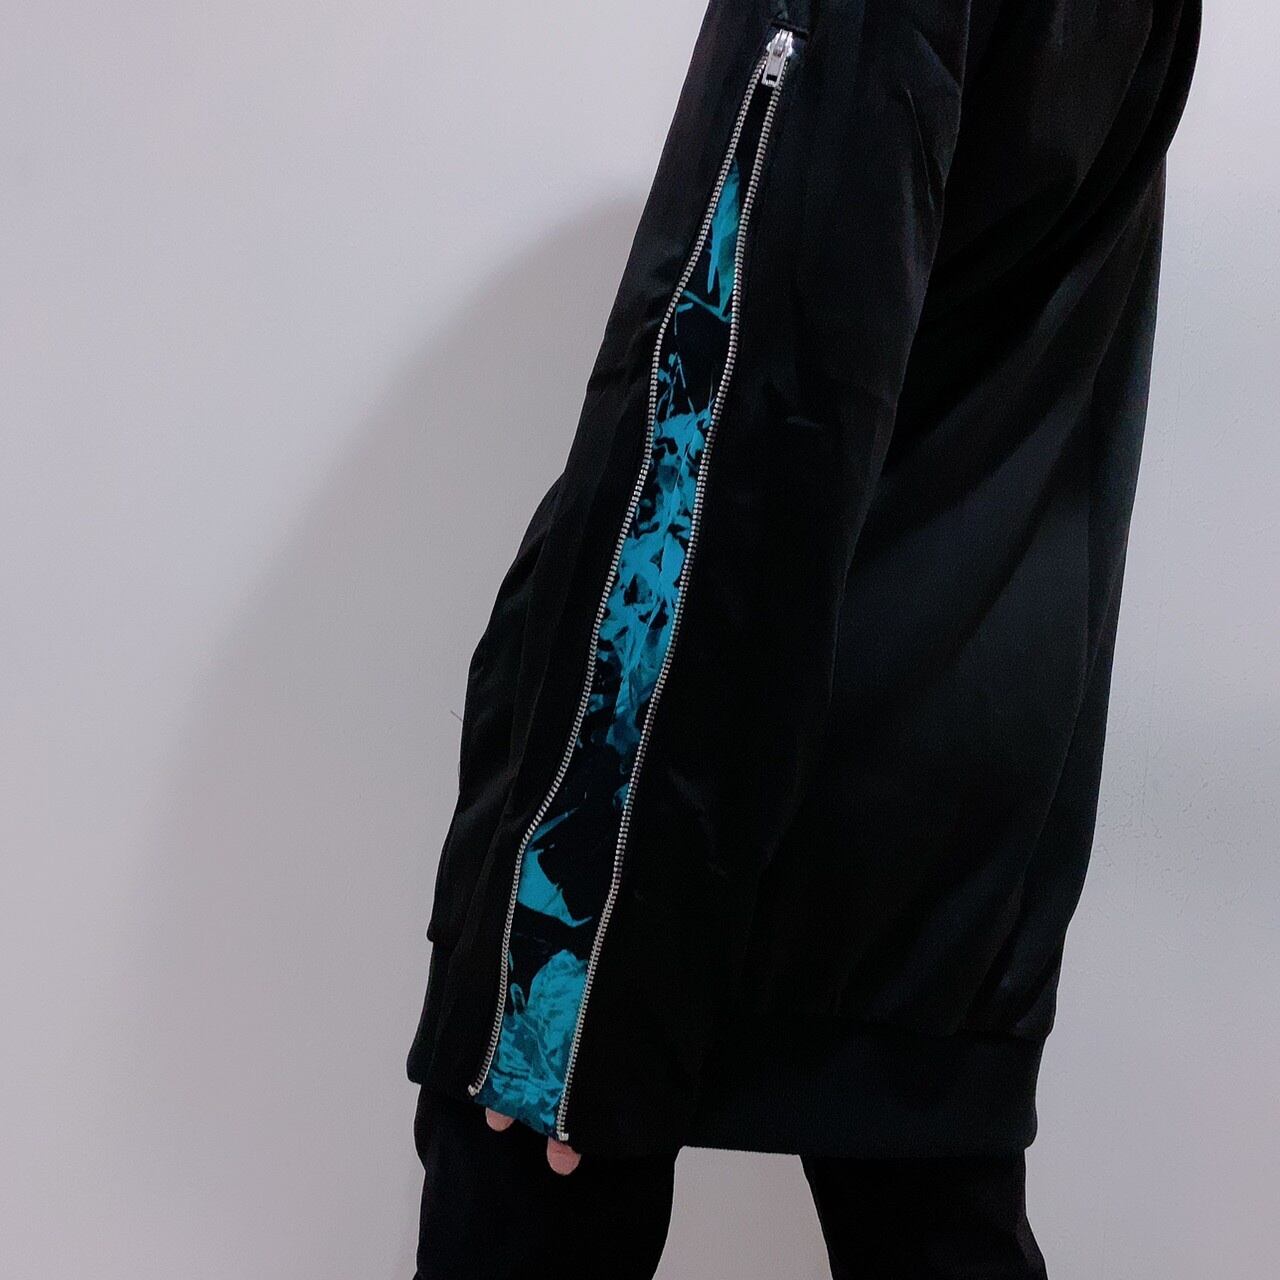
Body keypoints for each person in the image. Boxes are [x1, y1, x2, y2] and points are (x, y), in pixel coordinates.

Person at [405, 0, 1201, 1274]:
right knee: (933, 1225)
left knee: (527, 1204)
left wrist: (565, 952)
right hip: (952, 785)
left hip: (703, 779)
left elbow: (739, 402)